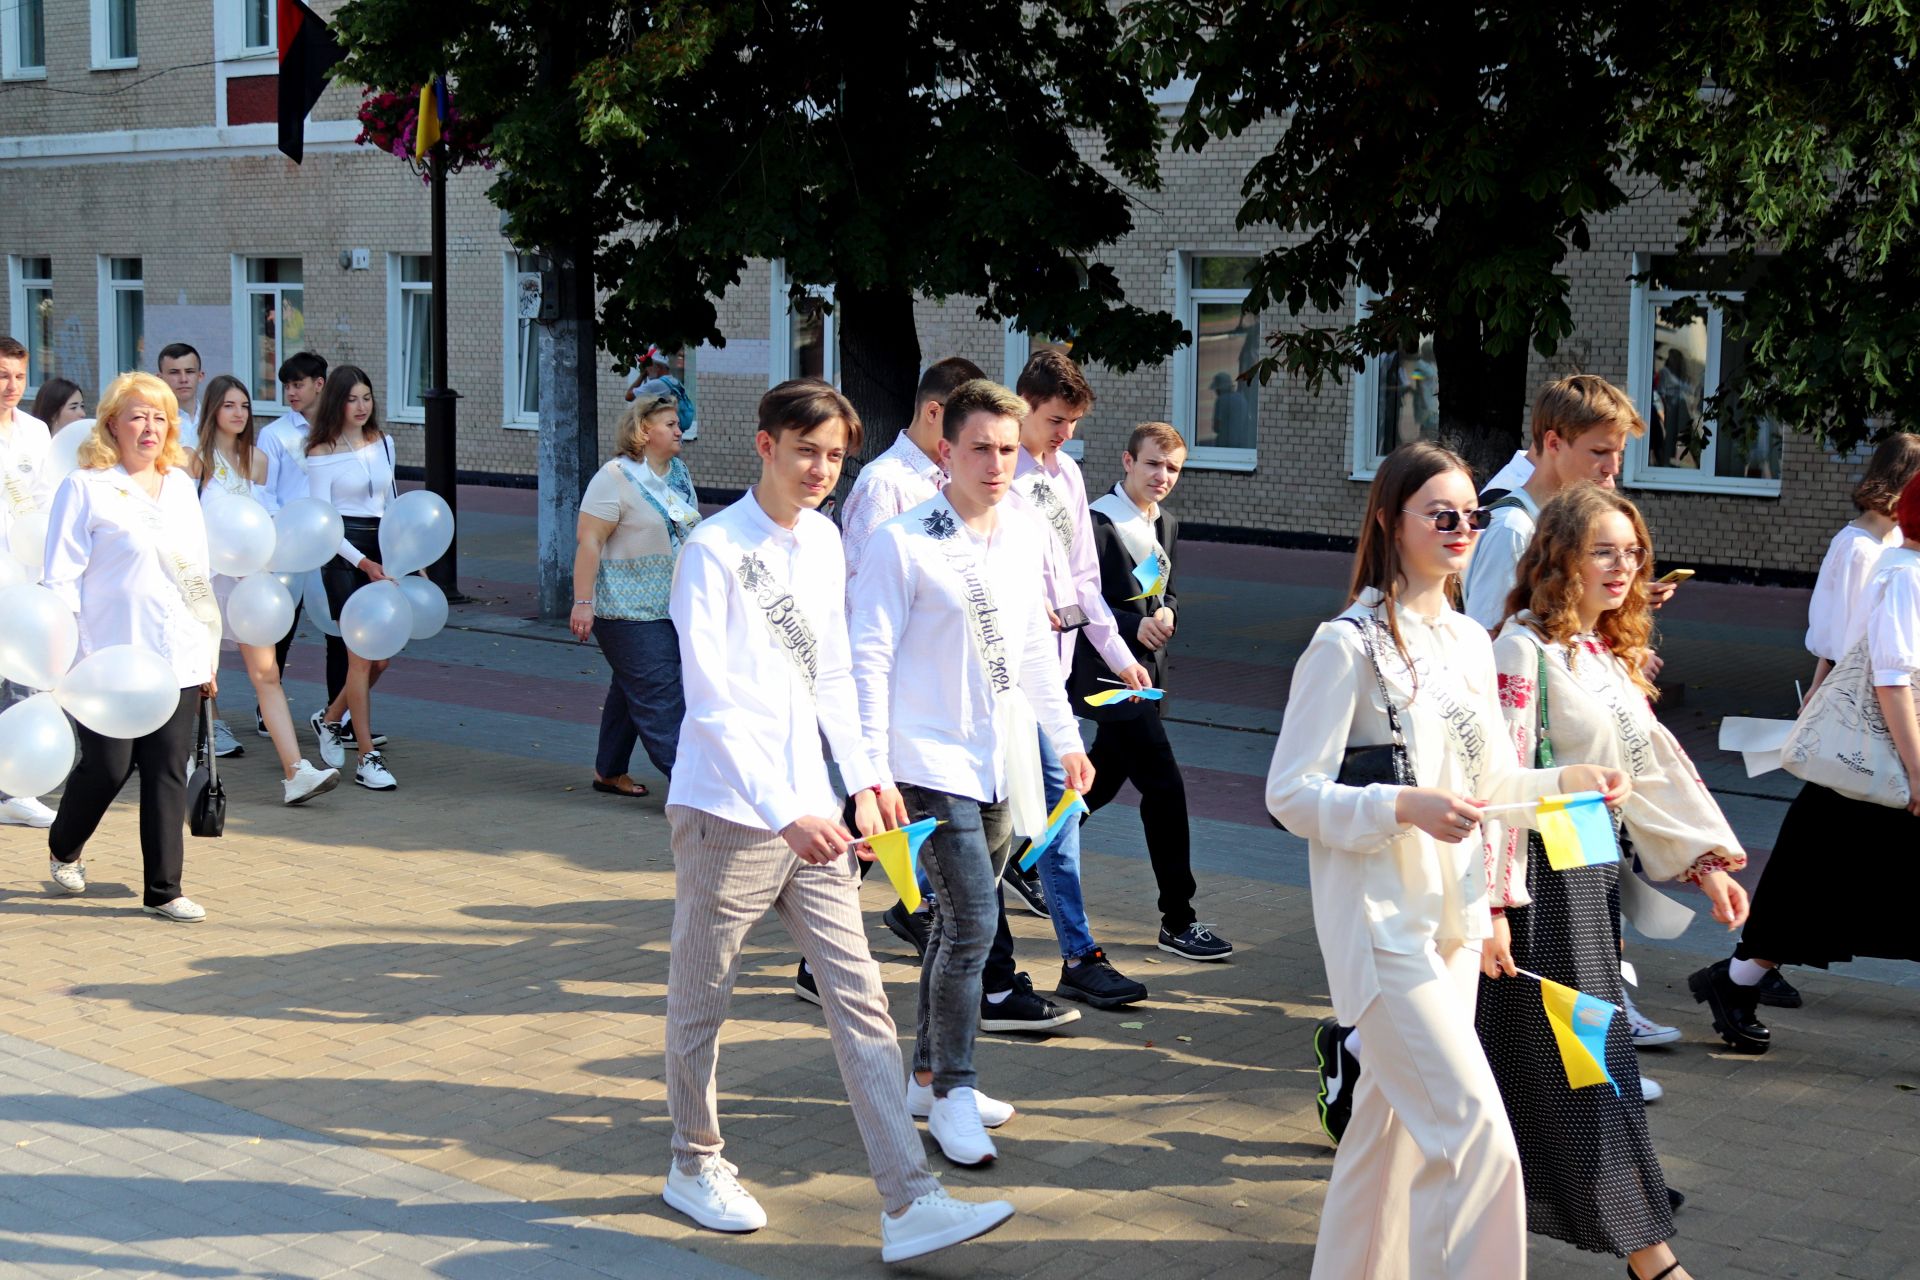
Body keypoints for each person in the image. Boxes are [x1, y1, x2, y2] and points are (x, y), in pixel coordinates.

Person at [660, 378, 1013, 1261]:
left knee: (862, 1003)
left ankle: (909, 1201)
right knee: (702, 1000)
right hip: (728, 814)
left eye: (834, 456)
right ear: (766, 445)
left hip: (815, 814)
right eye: (806, 451)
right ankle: (693, 1162)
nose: (821, 470)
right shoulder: (712, 549)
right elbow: (710, 703)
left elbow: (833, 676)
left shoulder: (823, 539)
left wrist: (864, 781)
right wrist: (782, 810)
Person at [1267, 440, 1631, 1280]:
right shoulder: (1346, 645)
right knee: (1478, 1138)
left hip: (1456, 925)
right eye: (1441, 514)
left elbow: (1492, 783)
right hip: (1382, 927)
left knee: (1387, 1133)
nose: (1462, 528)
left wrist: (1567, 782)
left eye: (1471, 514)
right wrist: (1399, 806)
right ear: (1390, 522)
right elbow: (1290, 794)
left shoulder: (1469, 640)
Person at [1481, 484, 1750, 1280]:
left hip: (1588, 878)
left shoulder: (1598, 654)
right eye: (1603, 551)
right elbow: (1497, 787)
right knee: (1580, 1060)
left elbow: (1653, 762)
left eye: (1632, 553)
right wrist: (1494, 903)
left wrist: (1705, 865)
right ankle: (1649, 1252)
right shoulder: (1521, 651)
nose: (1623, 567)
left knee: (1562, 1061)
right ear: (1559, 557)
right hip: (1535, 887)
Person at [850, 379, 1087, 1167]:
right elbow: (868, 660)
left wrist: (1065, 739)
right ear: (945, 450)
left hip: (998, 758)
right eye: (980, 448)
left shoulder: (1023, 533)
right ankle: (953, 1090)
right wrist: (872, 773)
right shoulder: (903, 541)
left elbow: (1032, 650)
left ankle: (925, 1077)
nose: (996, 464)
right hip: (925, 760)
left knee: (956, 926)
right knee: (975, 924)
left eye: (1009, 450)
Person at [1691, 472, 1920, 1052]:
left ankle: (1737, 979)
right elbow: (1892, 680)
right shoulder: (1906, 576)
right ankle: (1736, 979)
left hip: (1881, 768)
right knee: (1814, 879)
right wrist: (1918, 772)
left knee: (1818, 877)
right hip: (1882, 764)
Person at [41, 372, 218, 922]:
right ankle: (64, 845)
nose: (149, 427)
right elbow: (61, 577)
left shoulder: (181, 487)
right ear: (112, 423)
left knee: (167, 769)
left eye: (160, 417)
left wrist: (206, 656)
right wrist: (69, 655)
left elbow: (199, 574)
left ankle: (164, 890)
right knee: (108, 766)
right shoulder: (85, 487)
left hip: (176, 653)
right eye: (138, 416)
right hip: (108, 658)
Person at [1010, 349, 1154, 1010]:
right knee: (1054, 807)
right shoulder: (996, 470)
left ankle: (916, 904)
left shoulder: (1065, 473)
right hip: (1003, 677)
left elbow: (1081, 580)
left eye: (1073, 422)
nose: (1065, 433)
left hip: (1055, 671)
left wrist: (1116, 651)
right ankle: (1078, 954)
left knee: (1032, 811)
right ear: (1023, 406)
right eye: (1055, 420)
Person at [1071, 422, 1232, 961]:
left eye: (1173, 468)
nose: (1163, 476)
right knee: (1164, 788)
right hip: (1107, 676)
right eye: (1153, 464)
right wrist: (1130, 624)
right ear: (1128, 462)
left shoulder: (1166, 523)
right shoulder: (1096, 523)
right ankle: (1178, 919)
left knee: (1099, 782)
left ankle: (1024, 860)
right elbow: (1077, 603)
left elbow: (1168, 593)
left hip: (1147, 675)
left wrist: (1167, 615)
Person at [188, 374, 339, 806]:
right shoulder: (194, 460)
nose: (239, 413)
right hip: (205, 582)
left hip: (250, 582)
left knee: (267, 674)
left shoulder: (256, 460)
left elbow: (267, 515)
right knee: (194, 678)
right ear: (213, 410)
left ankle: (296, 772)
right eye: (229, 405)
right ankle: (179, 763)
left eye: (244, 406)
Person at [568, 392, 697, 797]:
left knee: (631, 688)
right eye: (670, 424)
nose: (680, 431)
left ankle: (608, 771)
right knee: (661, 696)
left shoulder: (678, 473)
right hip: (626, 611)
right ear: (644, 430)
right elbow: (589, 541)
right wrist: (583, 603)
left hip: (671, 606)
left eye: (678, 424)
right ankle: (696, 790)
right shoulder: (613, 477)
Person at [1462, 374, 1643, 631]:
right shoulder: (1513, 528)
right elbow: (1486, 636)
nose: (1612, 468)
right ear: (1554, 443)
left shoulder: (1567, 523)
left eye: (1618, 453)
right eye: (1599, 452)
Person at [304, 366, 398, 791]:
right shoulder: (320, 452)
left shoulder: (383, 441)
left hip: (383, 549)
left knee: (381, 660)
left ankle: (329, 718)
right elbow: (323, 522)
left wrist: (406, 556)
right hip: (344, 556)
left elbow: (392, 501)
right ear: (336, 402)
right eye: (351, 399)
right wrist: (362, 563)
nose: (361, 407)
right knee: (360, 658)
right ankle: (366, 756)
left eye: (367, 397)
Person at [1804, 433, 1920, 698]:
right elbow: (1848, 639)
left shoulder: (1894, 537)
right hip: (1867, 689)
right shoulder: (1859, 550)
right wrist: (1819, 689)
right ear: (1905, 481)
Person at [257, 353, 337, 731]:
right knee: (280, 627)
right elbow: (266, 492)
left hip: (331, 543)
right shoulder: (274, 434)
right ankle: (267, 706)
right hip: (288, 545)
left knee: (336, 628)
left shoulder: (339, 430)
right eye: (286, 385)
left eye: (298, 384)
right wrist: (282, 532)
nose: (290, 392)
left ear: (319, 384)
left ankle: (338, 713)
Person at [1, 337, 60, 828]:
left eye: (19, 376)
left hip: (23, 576)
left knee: (21, 680)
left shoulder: (36, 432)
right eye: (2, 375)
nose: (11, 386)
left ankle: (15, 789)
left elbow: (45, 502)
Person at [626, 346, 697, 441]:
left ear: (658, 367)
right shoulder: (675, 382)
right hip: (675, 436)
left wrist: (642, 376)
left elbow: (629, 396)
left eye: (648, 365)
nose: (647, 369)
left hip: (664, 439)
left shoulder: (657, 384)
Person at [156, 343, 205, 448]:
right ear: (160, 378)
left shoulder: (214, 419)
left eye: (189, 371)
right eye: (174, 372)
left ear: (200, 376)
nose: (183, 379)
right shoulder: (154, 423)